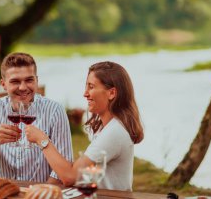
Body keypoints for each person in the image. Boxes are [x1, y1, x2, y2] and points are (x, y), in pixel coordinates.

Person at [25, 61, 144, 191]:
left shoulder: (114, 132)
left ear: (111, 93)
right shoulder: (105, 127)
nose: (85, 93)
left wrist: (42, 140)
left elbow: (70, 177)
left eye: (91, 87)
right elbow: (81, 173)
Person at [0, 52, 73, 183]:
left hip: (42, 193)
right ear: (3, 84)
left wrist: (38, 194)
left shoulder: (55, 110)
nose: (23, 87)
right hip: (4, 192)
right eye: (15, 81)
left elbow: (64, 168)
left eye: (29, 80)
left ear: (37, 81)